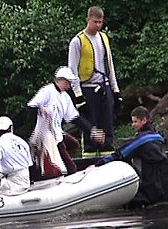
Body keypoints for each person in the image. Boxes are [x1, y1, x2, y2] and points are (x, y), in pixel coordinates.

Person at [27, 66, 105, 178]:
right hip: (47, 135)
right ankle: (62, 167)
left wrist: (92, 131)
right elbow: (30, 107)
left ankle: (57, 160)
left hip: (58, 133)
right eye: (67, 82)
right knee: (71, 167)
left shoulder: (65, 97)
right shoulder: (47, 91)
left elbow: (75, 118)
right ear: (60, 80)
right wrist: (40, 109)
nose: (69, 85)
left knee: (74, 144)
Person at [68, 6, 122, 157]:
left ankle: (108, 156)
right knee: (91, 127)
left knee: (107, 126)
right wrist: (78, 94)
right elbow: (72, 70)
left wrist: (115, 90)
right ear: (88, 20)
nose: (98, 25)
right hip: (87, 88)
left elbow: (109, 64)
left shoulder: (103, 37)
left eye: (100, 22)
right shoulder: (77, 41)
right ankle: (90, 158)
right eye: (95, 22)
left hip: (104, 86)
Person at [93, 106, 166, 208]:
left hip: (143, 192)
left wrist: (98, 164)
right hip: (158, 191)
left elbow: (120, 154)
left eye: (135, 122)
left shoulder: (142, 141)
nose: (133, 125)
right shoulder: (159, 138)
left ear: (144, 120)